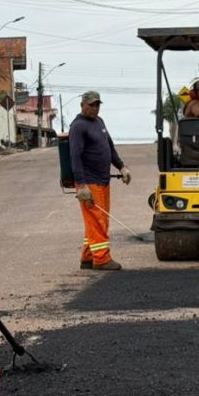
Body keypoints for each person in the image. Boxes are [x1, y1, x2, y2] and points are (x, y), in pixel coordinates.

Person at [69, 90, 131, 271]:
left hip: (103, 180)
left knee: (98, 219)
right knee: (98, 221)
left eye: (97, 105)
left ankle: (88, 258)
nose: (95, 108)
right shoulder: (78, 126)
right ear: (82, 105)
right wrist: (81, 186)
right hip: (89, 182)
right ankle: (102, 259)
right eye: (91, 105)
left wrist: (121, 166)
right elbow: (75, 156)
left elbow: (109, 146)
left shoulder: (99, 122)